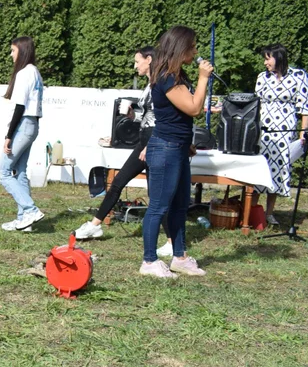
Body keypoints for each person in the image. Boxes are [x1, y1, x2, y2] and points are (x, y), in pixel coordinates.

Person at [75, 46, 173, 253]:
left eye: (137, 61)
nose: (135, 65)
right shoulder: (150, 86)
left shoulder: (162, 84)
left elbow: (163, 121)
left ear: (149, 60)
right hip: (144, 143)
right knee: (118, 181)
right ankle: (95, 225)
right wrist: (132, 117)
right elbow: (148, 118)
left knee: (157, 195)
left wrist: (150, 145)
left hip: (154, 144)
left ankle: (173, 243)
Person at [140, 26, 212, 279]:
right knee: (158, 207)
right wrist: (203, 78)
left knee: (181, 206)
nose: (196, 51)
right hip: (165, 148)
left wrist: (186, 142)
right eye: (192, 46)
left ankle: (179, 258)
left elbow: (180, 115)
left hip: (178, 148)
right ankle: (149, 261)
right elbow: (193, 108)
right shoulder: (167, 77)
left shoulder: (177, 75)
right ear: (181, 48)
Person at [254, 44, 308, 224]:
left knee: (277, 168)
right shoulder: (262, 77)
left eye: (268, 58)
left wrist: (303, 133)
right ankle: (252, 210)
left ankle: (269, 213)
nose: (265, 63)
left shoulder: (299, 76)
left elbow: (305, 107)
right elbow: (255, 104)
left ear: (278, 58)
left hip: (284, 130)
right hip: (263, 129)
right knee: (259, 168)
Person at [0, 36, 45, 232]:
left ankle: (30, 210)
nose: (11, 54)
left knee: (3, 171)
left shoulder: (25, 73)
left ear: (22, 51)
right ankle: (24, 220)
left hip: (24, 124)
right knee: (20, 171)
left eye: (13, 51)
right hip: (32, 124)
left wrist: (9, 135)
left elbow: (19, 106)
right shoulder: (35, 72)